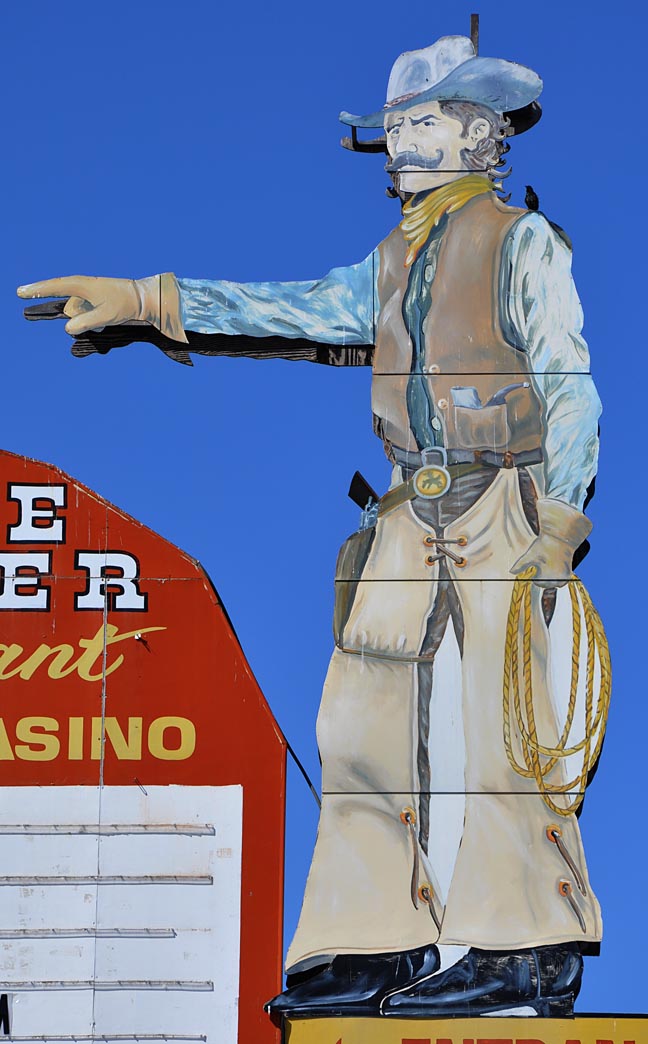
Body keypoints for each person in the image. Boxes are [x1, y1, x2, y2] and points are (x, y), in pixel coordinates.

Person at [18, 35, 606, 1020]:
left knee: (503, 721)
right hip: (406, 506)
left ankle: (525, 945)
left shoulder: (522, 242)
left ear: (479, 135)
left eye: (425, 121)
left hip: (504, 497)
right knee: (360, 721)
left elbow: (567, 381)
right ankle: (371, 942)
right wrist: (148, 301)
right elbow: (295, 311)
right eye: (397, 126)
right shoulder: (393, 261)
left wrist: (558, 523)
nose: (403, 142)